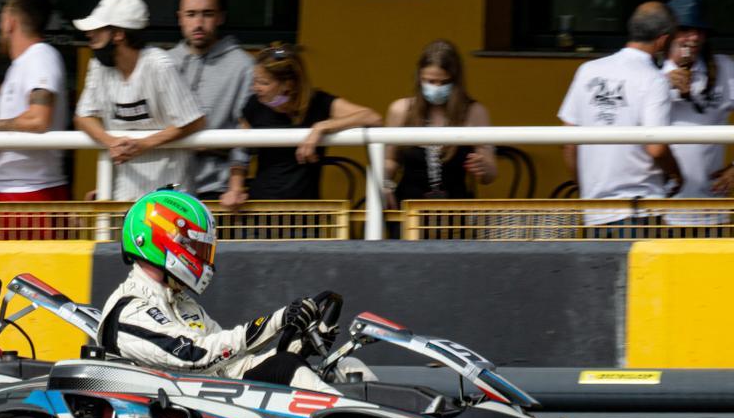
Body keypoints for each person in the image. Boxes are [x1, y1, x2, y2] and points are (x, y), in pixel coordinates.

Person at [97, 188, 374, 391]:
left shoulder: (182, 303)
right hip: (183, 413)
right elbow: (197, 357)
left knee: (344, 366)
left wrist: (301, 346)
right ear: (162, 243)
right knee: (286, 368)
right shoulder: (129, 310)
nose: (203, 258)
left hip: (215, 399)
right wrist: (275, 322)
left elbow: (233, 365)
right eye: (196, 248)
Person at [558, 2, 683, 237]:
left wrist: (586, 188)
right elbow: (656, 149)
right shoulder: (654, 80)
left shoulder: (588, 70)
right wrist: (677, 174)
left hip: (595, 211)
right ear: (663, 40)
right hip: (639, 211)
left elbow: (568, 143)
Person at [74, 0, 206, 200]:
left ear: (118, 34)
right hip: (124, 195)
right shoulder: (98, 66)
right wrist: (110, 141)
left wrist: (144, 144)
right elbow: (83, 116)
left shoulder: (159, 65)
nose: (90, 35)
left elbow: (194, 120)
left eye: (98, 29)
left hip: (171, 197)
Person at [233, 44, 381, 203]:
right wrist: (235, 188)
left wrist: (322, 127)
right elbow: (241, 153)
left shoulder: (317, 103)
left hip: (306, 211)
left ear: (288, 84)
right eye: (254, 81)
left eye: (263, 83)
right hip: (261, 207)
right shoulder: (255, 105)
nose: (255, 88)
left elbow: (372, 117)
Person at [0, 0, 70, 240]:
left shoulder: (40, 57)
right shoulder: (24, 63)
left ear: (10, 21)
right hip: (8, 193)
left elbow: (38, 117)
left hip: (32, 197)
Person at [166, 0, 254, 209]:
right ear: (180, 18)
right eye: (191, 14)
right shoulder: (163, 63)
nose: (198, 23)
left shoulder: (243, 66)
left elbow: (244, 131)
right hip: (162, 187)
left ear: (221, 17)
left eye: (207, 14)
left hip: (217, 191)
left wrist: (236, 188)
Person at [383, 39, 497, 208]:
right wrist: (384, 184)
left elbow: (489, 176)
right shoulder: (401, 110)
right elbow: (390, 160)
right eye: (430, 81)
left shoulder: (475, 112)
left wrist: (484, 166)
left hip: (456, 213)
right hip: (408, 211)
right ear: (419, 78)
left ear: (456, 81)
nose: (436, 87)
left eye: (444, 82)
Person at [660, 0, 734, 232]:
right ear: (666, 34)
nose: (693, 37)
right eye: (684, 29)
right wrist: (661, 85)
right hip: (659, 210)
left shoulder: (724, 68)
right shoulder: (648, 71)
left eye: (699, 30)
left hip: (713, 210)